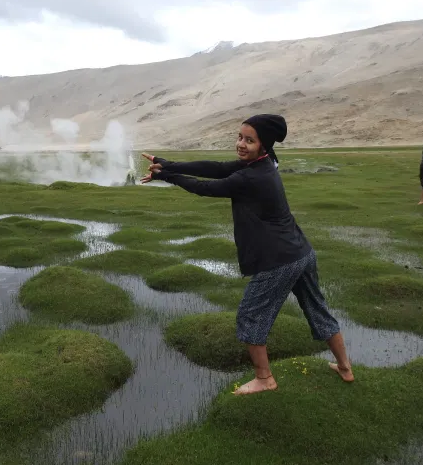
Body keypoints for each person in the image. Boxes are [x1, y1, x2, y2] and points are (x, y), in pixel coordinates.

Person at [140, 114, 354, 395]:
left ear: (263, 144)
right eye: (240, 137)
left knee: (250, 316)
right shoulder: (263, 164)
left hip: (278, 259)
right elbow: (216, 168)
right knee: (317, 309)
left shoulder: (252, 177)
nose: (241, 144)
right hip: (301, 252)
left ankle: (264, 379)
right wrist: (167, 163)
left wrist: (166, 175)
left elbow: (207, 187)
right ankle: (345, 368)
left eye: (249, 140)